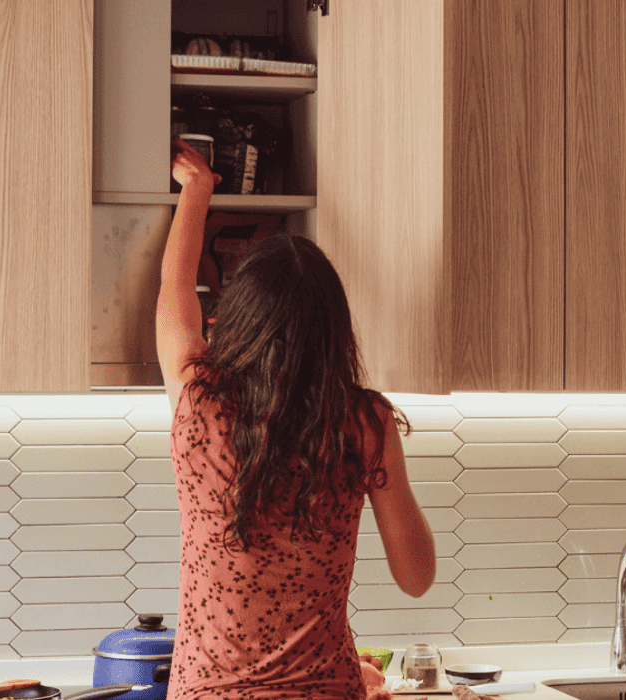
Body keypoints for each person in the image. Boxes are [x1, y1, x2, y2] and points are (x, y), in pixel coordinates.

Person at [156, 139, 436, 700]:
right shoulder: (362, 425)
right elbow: (416, 577)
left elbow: (175, 292)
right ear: (334, 334)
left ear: (234, 322)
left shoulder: (199, 405)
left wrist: (197, 190)